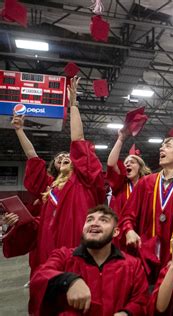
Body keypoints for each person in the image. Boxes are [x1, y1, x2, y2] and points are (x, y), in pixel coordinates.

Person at [7, 76, 105, 271]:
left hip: (76, 243)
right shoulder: (48, 186)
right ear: (55, 165)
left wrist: (73, 104)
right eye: (59, 158)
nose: (63, 158)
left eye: (68, 156)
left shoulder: (83, 180)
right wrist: (19, 130)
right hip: (48, 246)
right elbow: (31, 156)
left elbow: (78, 139)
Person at [29, 205, 149, 316]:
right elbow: (39, 277)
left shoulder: (133, 265)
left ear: (116, 232)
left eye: (103, 220)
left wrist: (127, 313)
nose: (94, 223)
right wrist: (69, 281)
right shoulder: (64, 256)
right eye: (89, 220)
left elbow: (141, 300)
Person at [119, 137, 173, 281]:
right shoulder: (145, 183)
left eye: (167, 146)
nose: (161, 148)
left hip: (172, 260)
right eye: (162, 145)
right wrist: (129, 230)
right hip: (143, 256)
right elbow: (127, 215)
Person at [106, 128, 151, 218]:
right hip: (121, 228)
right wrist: (120, 139)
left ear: (140, 167)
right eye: (126, 163)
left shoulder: (149, 186)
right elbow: (111, 164)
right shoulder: (120, 185)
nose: (128, 164)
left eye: (132, 162)